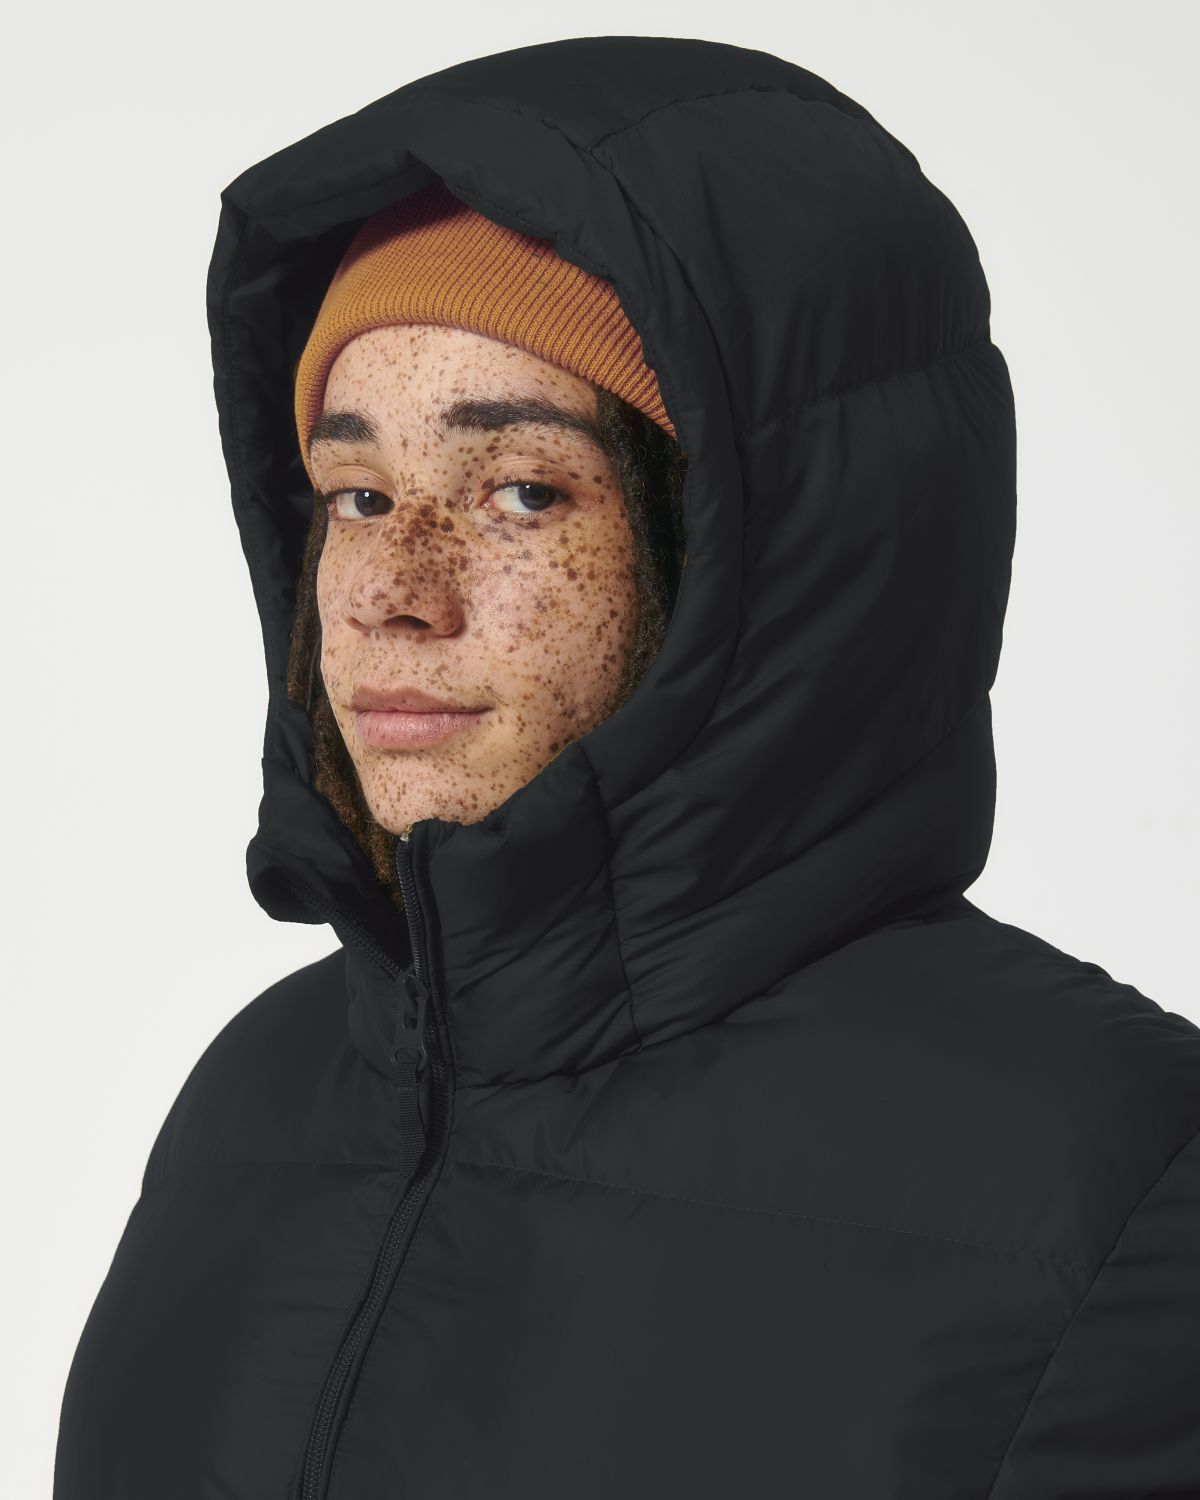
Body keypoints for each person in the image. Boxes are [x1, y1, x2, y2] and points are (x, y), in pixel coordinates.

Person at [54, 34, 1200, 1500]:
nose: (394, 592)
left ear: (758, 555)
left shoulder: (1117, 1180)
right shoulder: (258, 1098)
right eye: (357, 494)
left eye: (524, 491)